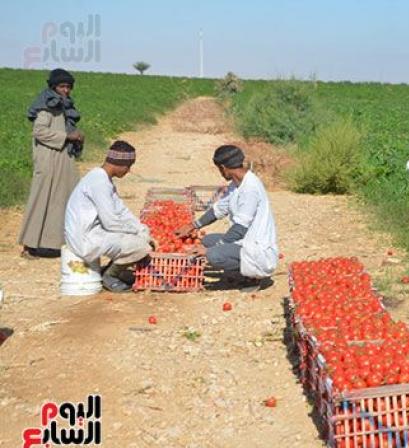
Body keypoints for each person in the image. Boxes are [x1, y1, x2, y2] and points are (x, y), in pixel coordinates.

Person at [175, 145, 278, 287]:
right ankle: (240, 268)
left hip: (257, 249)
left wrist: (213, 249)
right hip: (245, 240)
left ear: (223, 168)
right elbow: (219, 209)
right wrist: (192, 226)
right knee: (206, 240)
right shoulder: (236, 184)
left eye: (219, 169)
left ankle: (252, 277)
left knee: (214, 255)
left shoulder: (250, 189)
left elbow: (240, 228)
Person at [65, 141, 154, 292]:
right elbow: (111, 223)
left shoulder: (102, 178)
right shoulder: (99, 183)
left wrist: (140, 227)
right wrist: (136, 232)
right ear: (120, 164)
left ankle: (109, 269)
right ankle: (109, 276)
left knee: (136, 239)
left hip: (92, 232)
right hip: (85, 238)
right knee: (141, 246)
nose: (128, 171)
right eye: (128, 166)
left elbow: (120, 210)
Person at [18, 68, 85, 259]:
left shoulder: (64, 105)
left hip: (63, 157)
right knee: (42, 199)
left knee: (63, 199)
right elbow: (39, 132)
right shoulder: (45, 106)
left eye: (68, 87)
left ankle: (54, 243)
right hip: (48, 158)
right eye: (62, 86)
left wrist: (77, 137)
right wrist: (67, 136)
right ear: (53, 86)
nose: (65, 90)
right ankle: (29, 245)